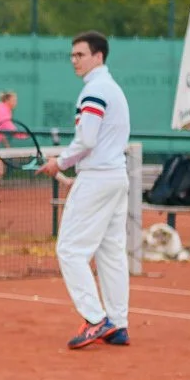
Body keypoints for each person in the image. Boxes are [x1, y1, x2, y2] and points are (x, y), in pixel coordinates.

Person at [51, 31, 132, 349]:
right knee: (111, 252)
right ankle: (118, 324)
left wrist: (60, 162)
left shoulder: (95, 91)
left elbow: (87, 139)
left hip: (99, 179)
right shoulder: (111, 89)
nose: (75, 60)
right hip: (114, 177)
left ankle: (96, 319)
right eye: (72, 55)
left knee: (69, 250)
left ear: (98, 57)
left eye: (80, 55)